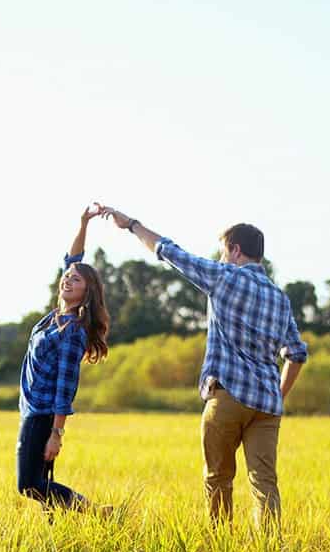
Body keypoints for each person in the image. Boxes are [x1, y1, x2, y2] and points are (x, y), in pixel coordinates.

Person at [98, 203, 308, 532]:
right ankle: (270, 551)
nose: (223, 257)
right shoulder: (280, 298)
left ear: (235, 250)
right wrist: (277, 395)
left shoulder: (224, 277)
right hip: (267, 406)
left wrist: (132, 225)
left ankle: (220, 545)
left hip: (227, 397)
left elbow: (169, 252)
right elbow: (296, 354)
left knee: (219, 478)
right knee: (264, 483)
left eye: (225, 252)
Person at [16, 204, 111, 514]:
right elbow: (72, 259)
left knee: (28, 484)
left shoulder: (73, 330)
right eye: (66, 277)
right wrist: (83, 223)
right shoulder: (55, 317)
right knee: (39, 484)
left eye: (77, 280)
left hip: (43, 415)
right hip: (31, 411)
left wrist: (56, 434)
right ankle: (60, 534)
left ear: (88, 292)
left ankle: (97, 512)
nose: (68, 280)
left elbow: (65, 386)